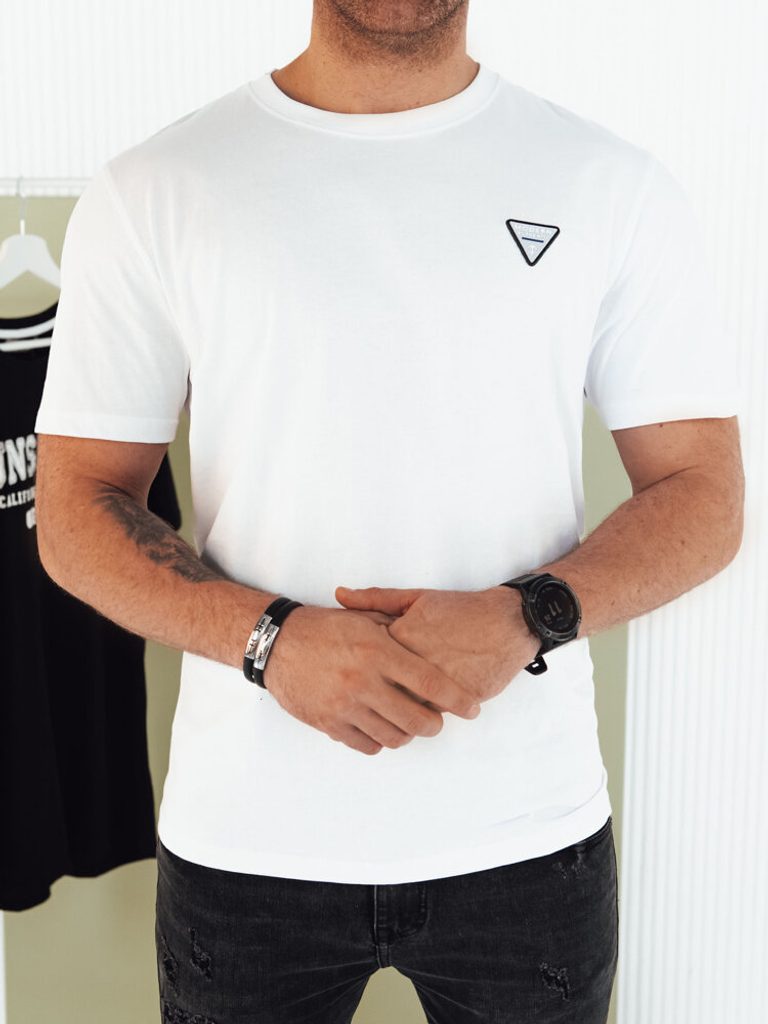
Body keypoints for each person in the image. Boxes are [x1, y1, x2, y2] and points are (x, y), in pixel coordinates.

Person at [33, 1, 744, 1022]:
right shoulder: (157, 187)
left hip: (527, 838)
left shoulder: (608, 183)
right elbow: (74, 508)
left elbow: (705, 492)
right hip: (248, 844)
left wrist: (528, 614)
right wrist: (269, 640)